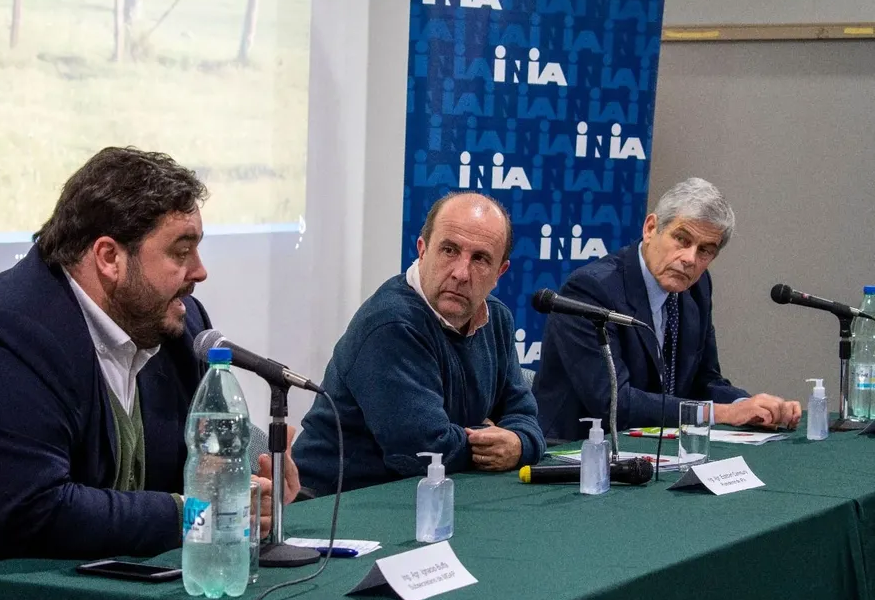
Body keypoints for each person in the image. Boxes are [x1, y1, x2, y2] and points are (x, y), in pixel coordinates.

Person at [0, 147, 299, 600]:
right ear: (109, 257)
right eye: (180, 252)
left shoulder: (174, 324)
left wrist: (257, 464)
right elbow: (38, 513)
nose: (200, 271)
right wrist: (200, 513)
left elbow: (204, 435)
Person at [295, 192, 546, 496]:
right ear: (422, 250)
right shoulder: (391, 324)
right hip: (335, 505)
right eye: (449, 250)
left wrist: (519, 444)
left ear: (499, 272)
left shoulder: (497, 320)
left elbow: (525, 418)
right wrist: (489, 437)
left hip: (426, 496)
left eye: (480, 259)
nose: (461, 273)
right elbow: (422, 452)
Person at [533, 177, 802, 442]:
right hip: (577, 452)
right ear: (651, 228)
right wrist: (724, 412)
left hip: (655, 448)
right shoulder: (592, 289)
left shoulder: (697, 287)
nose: (690, 259)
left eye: (705, 251)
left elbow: (704, 380)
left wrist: (750, 407)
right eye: (682, 240)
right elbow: (614, 402)